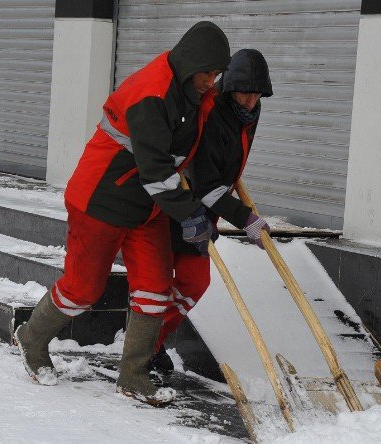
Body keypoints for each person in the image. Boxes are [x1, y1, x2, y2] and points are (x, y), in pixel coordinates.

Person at [14, 21, 230, 405]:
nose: (212, 82)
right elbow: (156, 171)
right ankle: (31, 337)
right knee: (83, 290)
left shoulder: (194, 91)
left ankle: (133, 374)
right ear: (191, 64)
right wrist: (190, 215)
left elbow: (192, 151)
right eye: (209, 73)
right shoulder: (152, 93)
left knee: (154, 289)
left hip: (146, 210)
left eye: (217, 75)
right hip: (101, 200)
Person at [149, 49, 274, 372]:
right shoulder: (215, 112)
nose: (249, 101)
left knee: (193, 283)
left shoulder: (249, 113)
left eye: (256, 95)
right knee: (166, 280)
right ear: (230, 87)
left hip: (207, 204)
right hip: (181, 201)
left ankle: (151, 340)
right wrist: (245, 218)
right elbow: (206, 183)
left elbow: (225, 162)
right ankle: (144, 345)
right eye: (244, 94)